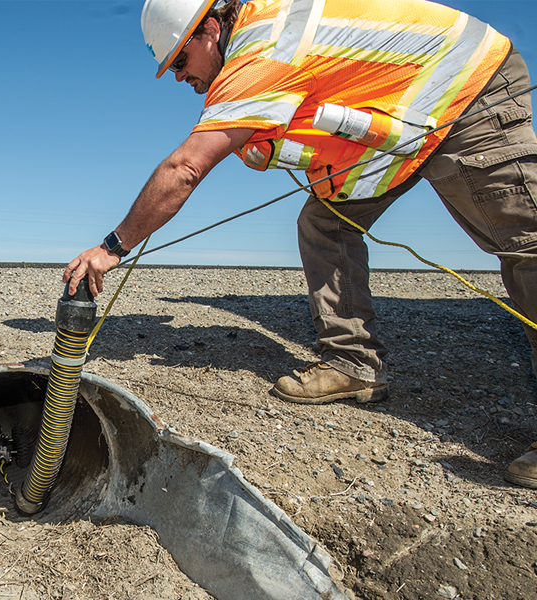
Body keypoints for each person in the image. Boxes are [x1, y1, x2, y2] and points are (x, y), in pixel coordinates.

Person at [62, 0, 537, 487]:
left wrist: (113, 246)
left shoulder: (258, 50)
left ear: (208, 30)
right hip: (404, 113)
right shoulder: (266, 37)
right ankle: (354, 365)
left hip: (464, 88)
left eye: (180, 61)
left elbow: (186, 167)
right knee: (325, 221)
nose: (180, 77)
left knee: (527, 246)